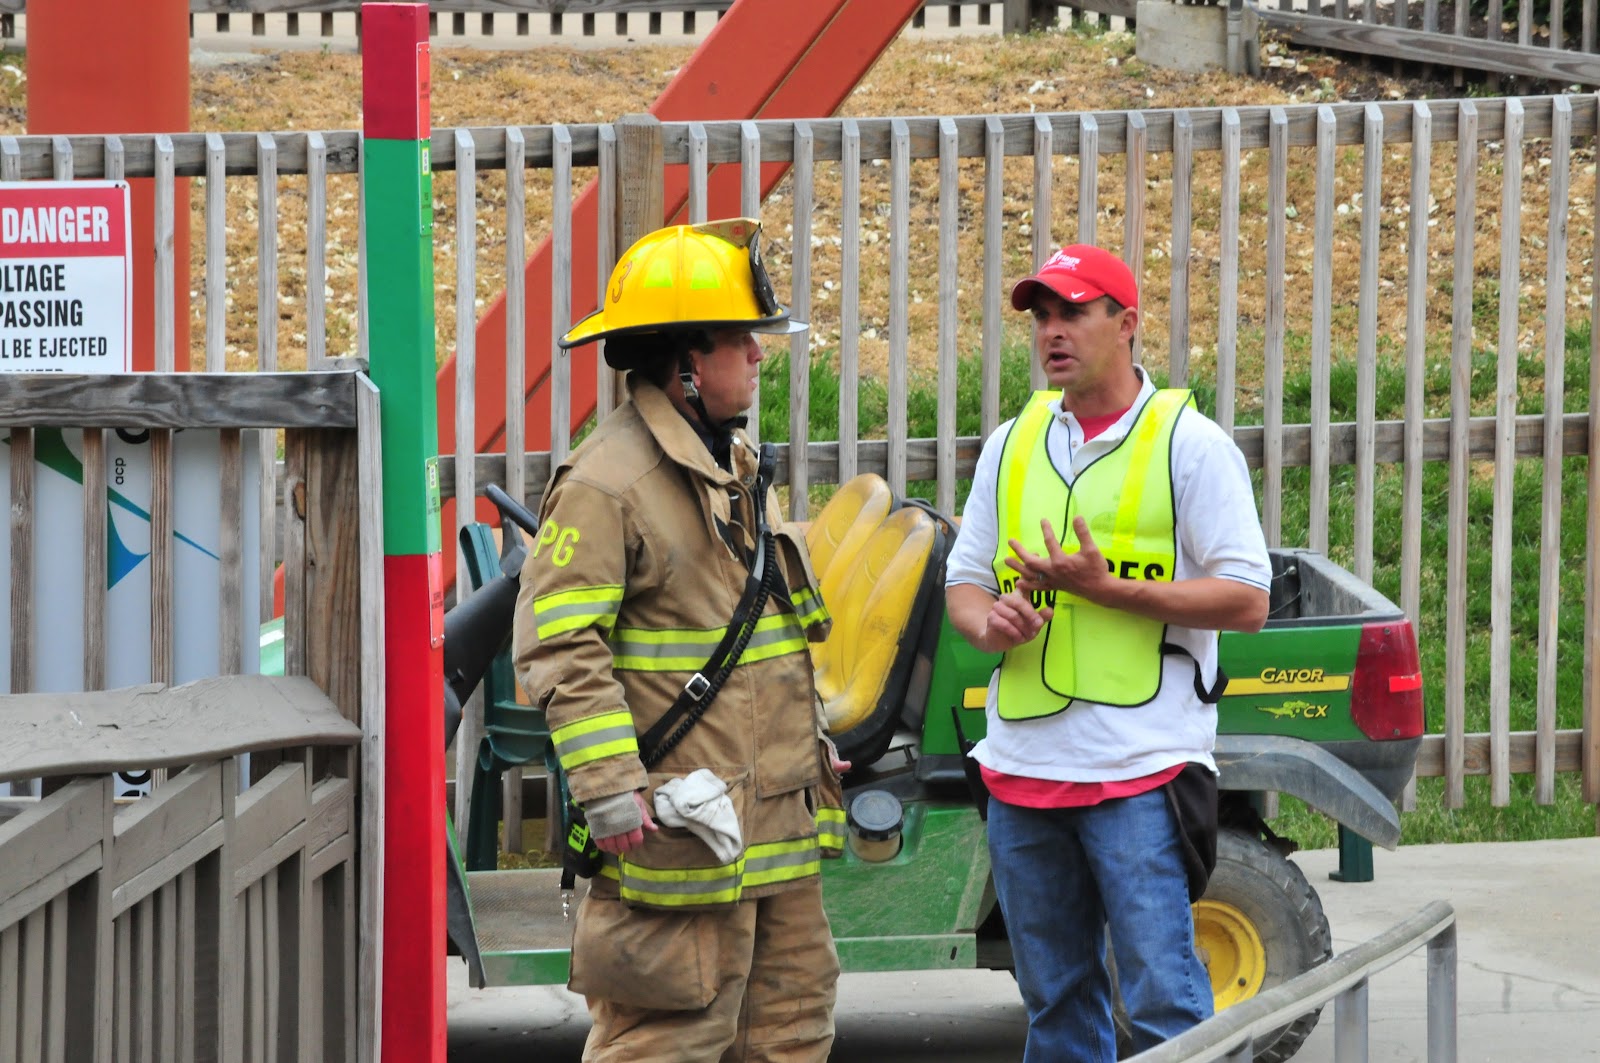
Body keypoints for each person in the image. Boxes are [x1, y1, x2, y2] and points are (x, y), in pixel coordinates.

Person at [512, 217, 848, 1063]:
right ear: (687, 362)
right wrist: (609, 787)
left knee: (790, 1033)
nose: (761, 357)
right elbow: (559, 646)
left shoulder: (729, 466)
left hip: (770, 824)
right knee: (665, 1040)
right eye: (743, 340)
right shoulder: (606, 484)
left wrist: (809, 748)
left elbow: (759, 637)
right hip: (677, 832)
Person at [944, 244, 1272, 1061]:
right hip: (1022, 772)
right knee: (1055, 1004)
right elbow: (964, 585)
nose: (1052, 332)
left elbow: (1248, 599)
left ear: (1127, 324)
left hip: (1140, 771)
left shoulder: (1191, 445)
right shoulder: (1010, 443)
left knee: (1165, 1002)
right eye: (1041, 316)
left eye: (1073, 312)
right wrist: (991, 625)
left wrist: (1109, 589)